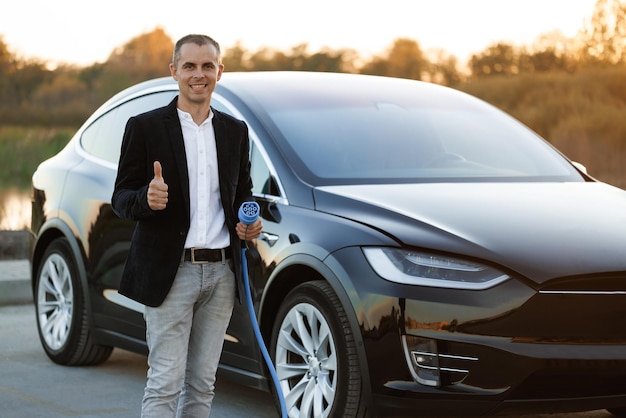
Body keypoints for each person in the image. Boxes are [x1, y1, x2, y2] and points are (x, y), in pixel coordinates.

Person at [111, 34, 263, 417]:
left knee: (202, 386)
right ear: (174, 71)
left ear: (220, 72)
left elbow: (242, 194)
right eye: (190, 66)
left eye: (207, 66)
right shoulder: (144, 127)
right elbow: (121, 198)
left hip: (221, 275)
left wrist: (249, 220)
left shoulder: (235, 132)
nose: (199, 74)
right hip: (170, 272)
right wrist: (146, 198)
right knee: (164, 382)